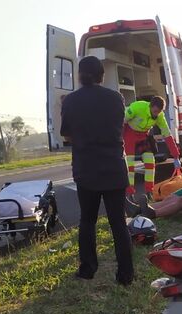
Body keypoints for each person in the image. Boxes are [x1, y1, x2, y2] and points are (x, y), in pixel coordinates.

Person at [61, 56, 133, 285]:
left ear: (79, 76)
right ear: (102, 76)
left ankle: (87, 269)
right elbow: (118, 128)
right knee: (118, 222)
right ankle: (125, 274)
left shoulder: (70, 101)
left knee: (88, 220)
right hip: (113, 166)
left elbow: (66, 134)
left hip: (86, 168)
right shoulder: (116, 98)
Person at [123, 97, 181, 206]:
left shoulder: (159, 116)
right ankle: (129, 194)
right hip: (129, 133)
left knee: (150, 162)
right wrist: (119, 141)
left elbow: (167, 134)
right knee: (129, 165)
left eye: (158, 112)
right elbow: (122, 122)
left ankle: (149, 192)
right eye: (155, 112)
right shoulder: (137, 107)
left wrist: (176, 156)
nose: (156, 115)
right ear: (150, 106)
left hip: (144, 135)